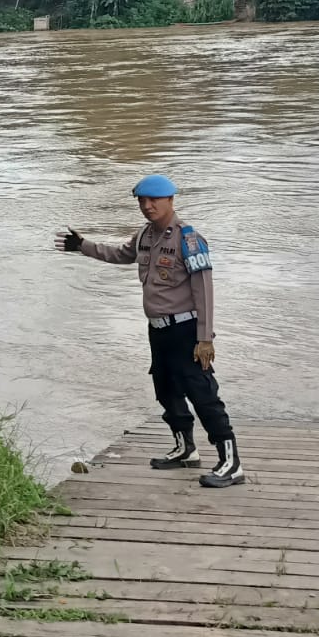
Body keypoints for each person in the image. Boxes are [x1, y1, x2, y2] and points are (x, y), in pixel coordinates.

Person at [54, 174, 244, 488]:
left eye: (154, 200)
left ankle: (230, 462)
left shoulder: (189, 239)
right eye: (142, 200)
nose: (147, 206)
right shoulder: (145, 235)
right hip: (158, 332)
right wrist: (82, 246)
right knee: (166, 390)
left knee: (202, 394)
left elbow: (204, 291)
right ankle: (186, 449)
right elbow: (120, 254)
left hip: (186, 331)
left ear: (171, 200)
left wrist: (205, 338)